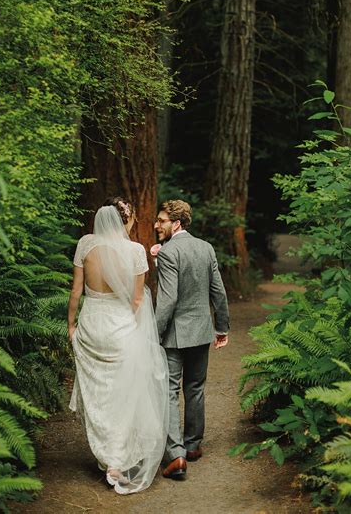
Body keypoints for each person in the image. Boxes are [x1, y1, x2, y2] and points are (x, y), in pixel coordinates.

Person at [68, 197, 169, 495]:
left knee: (98, 392)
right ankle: (117, 459)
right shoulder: (135, 251)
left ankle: (107, 455)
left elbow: (75, 291)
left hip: (91, 324)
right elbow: (137, 300)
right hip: (121, 326)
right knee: (123, 393)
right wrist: (141, 334)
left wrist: (71, 325)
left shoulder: (85, 244)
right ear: (127, 220)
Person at [154, 199, 229, 480]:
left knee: (170, 392)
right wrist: (221, 327)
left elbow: (168, 300)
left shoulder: (169, 252)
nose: (156, 225)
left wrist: (154, 331)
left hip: (174, 334)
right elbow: (218, 292)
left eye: (161, 220)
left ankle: (176, 456)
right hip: (201, 330)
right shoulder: (205, 248)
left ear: (176, 223)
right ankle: (193, 446)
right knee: (195, 387)